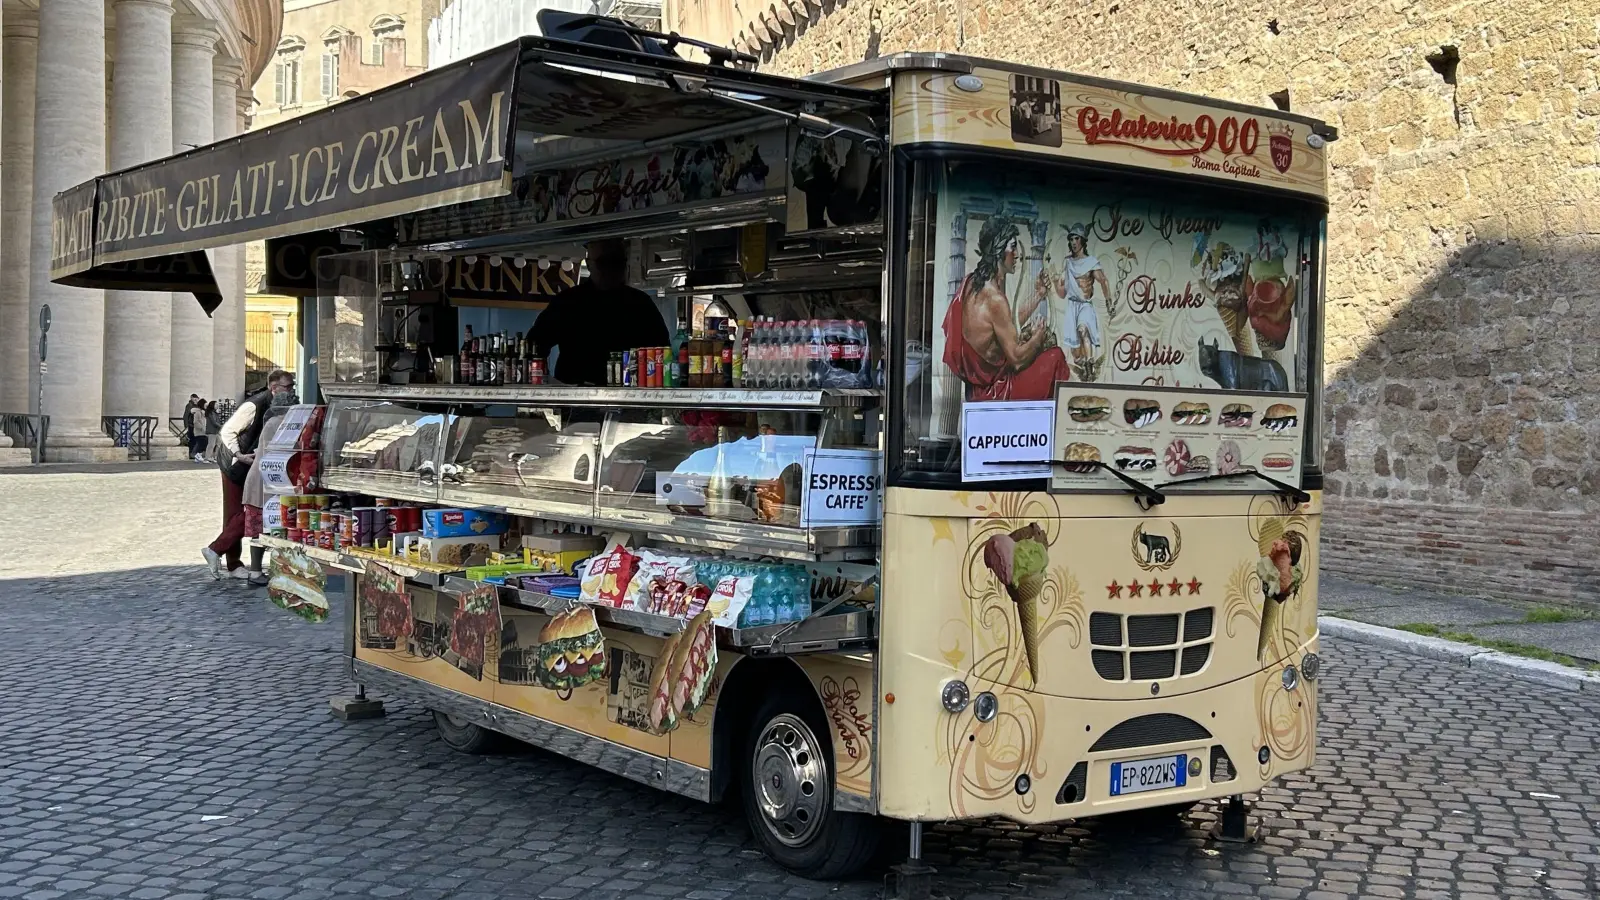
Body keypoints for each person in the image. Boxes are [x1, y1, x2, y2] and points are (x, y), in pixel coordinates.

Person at [941, 215, 1071, 402]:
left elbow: (1003, 323)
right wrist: (1037, 339)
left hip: (979, 390)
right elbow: (1017, 360)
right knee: (1055, 356)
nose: (1017, 254)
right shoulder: (995, 298)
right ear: (998, 250)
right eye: (1012, 247)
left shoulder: (972, 282)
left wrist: (1038, 295)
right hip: (997, 392)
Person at [529, 238, 669, 386]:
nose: (611, 269)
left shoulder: (641, 304)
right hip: (576, 397)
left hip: (628, 396)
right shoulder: (567, 302)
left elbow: (663, 353)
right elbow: (534, 346)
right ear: (589, 265)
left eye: (617, 262)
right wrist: (550, 386)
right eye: (604, 263)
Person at [202, 369, 295, 580]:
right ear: (274, 387)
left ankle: (230, 561)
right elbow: (227, 431)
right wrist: (239, 455)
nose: (291, 391)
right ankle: (221, 554)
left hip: (250, 464)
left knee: (243, 513)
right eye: (288, 386)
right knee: (240, 514)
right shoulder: (254, 405)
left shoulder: (276, 406)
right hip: (234, 465)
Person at [241, 388, 300, 586]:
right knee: (271, 529)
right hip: (267, 483)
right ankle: (267, 571)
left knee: (262, 531)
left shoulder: (271, 422)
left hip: (260, 480)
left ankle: (256, 571)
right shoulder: (284, 423)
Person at [187, 398, 208, 462]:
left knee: (203, 443)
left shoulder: (202, 412)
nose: (206, 406)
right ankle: (196, 454)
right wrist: (202, 428)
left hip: (202, 430)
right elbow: (196, 422)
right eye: (205, 405)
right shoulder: (197, 412)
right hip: (199, 431)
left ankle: (198, 456)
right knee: (201, 443)